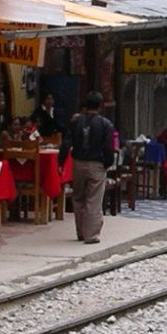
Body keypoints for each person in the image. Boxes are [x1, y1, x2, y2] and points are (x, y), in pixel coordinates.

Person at [60, 91, 114, 244]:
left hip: (77, 163)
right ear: (100, 106)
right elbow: (108, 147)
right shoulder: (105, 124)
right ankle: (91, 235)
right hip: (97, 164)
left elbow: (66, 143)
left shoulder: (75, 121)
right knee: (94, 200)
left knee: (78, 198)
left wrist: (60, 161)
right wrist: (108, 163)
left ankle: (80, 232)